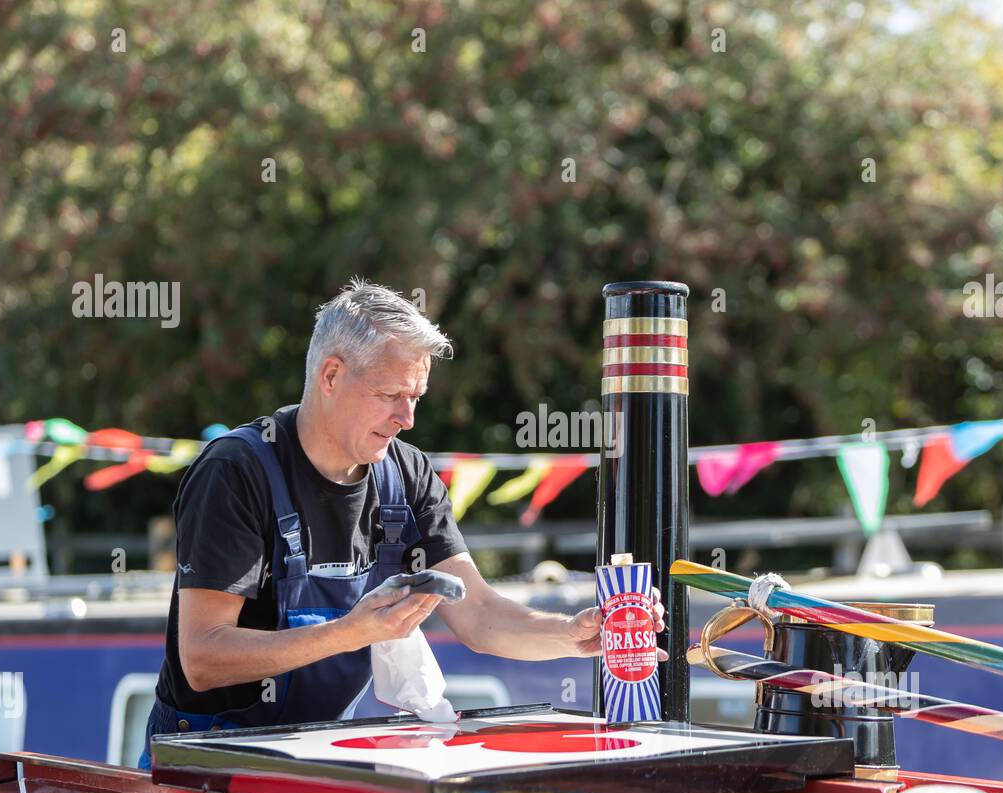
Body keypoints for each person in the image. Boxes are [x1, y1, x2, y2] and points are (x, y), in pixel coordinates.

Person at [138, 278, 665, 768]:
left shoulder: (406, 473)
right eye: (391, 395)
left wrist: (570, 635)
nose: (407, 418)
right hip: (204, 765)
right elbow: (203, 657)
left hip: (315, 759)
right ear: (331, 375)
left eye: (415, 399)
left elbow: (477, 614)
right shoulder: (235, 472)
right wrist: (350, 632)